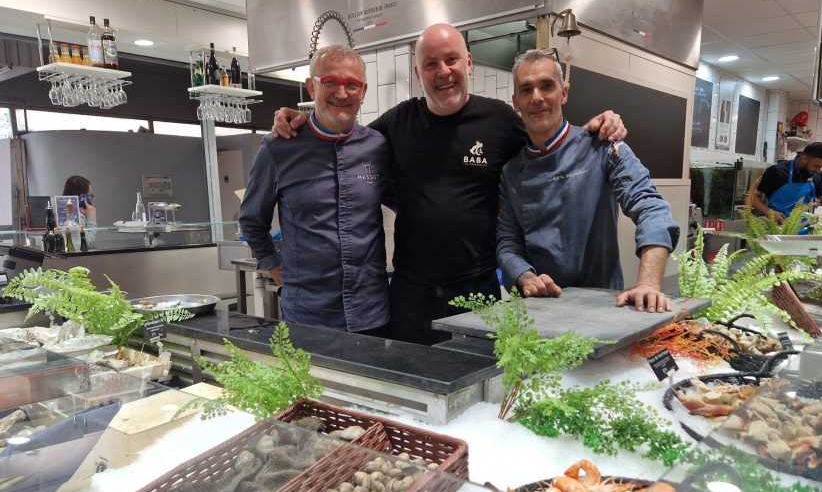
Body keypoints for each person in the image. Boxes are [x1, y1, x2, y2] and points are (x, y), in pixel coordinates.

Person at [273, 23, 627, 344]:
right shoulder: (399, 122)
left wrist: (594, 130)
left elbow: (548, 141)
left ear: (468, 62)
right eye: (431, 64)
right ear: (418, 73)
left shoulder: (500, 120)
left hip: (478, 288)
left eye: (451, 60)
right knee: (412, 388)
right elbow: (346, 139)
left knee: (481, 389)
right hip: (412, 293)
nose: (443, 72)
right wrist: (306, 119)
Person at [496, 50, 680, 313]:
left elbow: (652, 209)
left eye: (547, 86)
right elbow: (508, 244)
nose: (537, 97)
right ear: (516, 101)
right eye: (526, 90)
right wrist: (526, 278)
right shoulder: (511, 173)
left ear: (564, 92)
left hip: (602, 305)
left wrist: (649, 284)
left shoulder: (603, 147)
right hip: (539, 311)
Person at [240, 45, 391, 335]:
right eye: (330, 82)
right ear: (312, 87)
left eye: (352, 84)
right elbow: (251, 221)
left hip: (371, 314)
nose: (342, 93)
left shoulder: (377, 147)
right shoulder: (278, 148)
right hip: (308, 315)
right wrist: (278, 270)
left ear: (364, 91)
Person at [750, 142, 822, 225]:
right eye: (816, 166)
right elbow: (753, 197)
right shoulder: (776, 171)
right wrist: (769, 213)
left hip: (802, 228)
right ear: (804, 158)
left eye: (821, 167)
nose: (818, 170)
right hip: (775, 227)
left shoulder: (816, 175)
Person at [62, 175, 96, 249]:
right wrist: (91, 217)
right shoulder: (75, 216)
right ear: (83, 197)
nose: (91, 199)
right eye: (90, 195)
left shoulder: (59, 210)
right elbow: (89, 244)